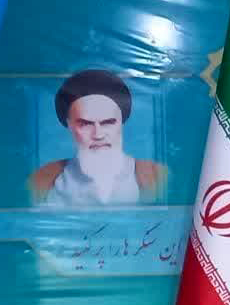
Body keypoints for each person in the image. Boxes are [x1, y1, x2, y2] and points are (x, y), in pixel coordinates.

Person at [29, 69, 166, 206]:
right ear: (69, 125)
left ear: (121, 122)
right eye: (85, 124)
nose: (98, 135)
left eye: (108, 123)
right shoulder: (42, 181)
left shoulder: (158, 176)